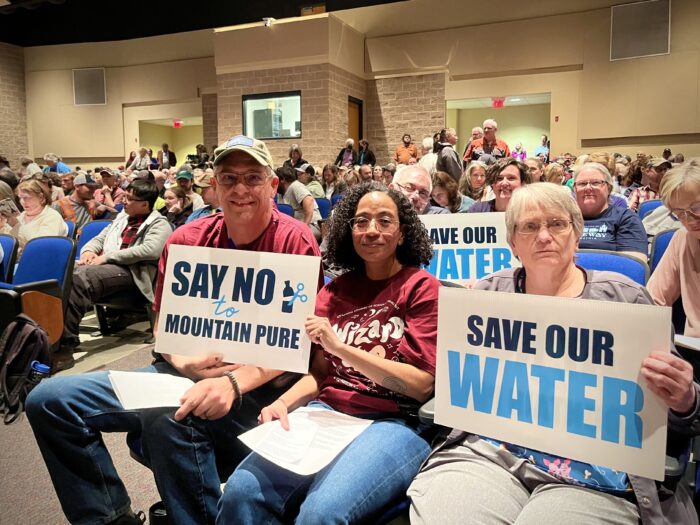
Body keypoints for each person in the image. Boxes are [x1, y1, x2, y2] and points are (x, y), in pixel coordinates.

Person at [25, 135, 322, 525]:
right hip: (176, 374)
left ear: (272, 185)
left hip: (254, 388)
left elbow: (295, 344)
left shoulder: (293, 239)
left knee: (170, 413)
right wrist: (182, 360)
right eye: (229, 178)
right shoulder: (186, 241)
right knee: (48, 399)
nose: (240, 189)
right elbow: (165, 327)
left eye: (252, 178)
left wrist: (231, 382)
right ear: (214, 186)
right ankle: (110, 517)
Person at [409, 182, 700, 525]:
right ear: (513, 243)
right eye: (529, 227)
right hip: (489, 456)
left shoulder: (626, 299)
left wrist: (685, 400)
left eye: (557, 224)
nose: (544, 236)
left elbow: (673, 415)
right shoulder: (489, 294)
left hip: (595, 475)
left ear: (577, 235)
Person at [220, 181, 439, 524]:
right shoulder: (334, 291)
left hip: (394, 420)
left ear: (402, 233)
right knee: (240, 492)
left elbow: (421, 385)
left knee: (321, 514)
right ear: (348, 231)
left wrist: (342, 347)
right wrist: (283, 403)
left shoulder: (422, 288)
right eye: (361, 221)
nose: (371, 231)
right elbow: (321, 374)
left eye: (384, 221)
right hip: (328, 413)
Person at [52, 178, 171, 371]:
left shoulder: (159, 224)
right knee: (62, 275)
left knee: (79, 280)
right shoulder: (122, 217)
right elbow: (99, 238)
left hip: (133, 274)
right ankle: (48, 337)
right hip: (108, 268)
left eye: (130, 199)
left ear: (144, 204)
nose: (124, 201)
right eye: (124, 196)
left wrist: (108, 257)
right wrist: (88, 251)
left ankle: (65, 347)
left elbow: (151, 250)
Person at [647, 159, 700, 337]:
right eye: (680, 213)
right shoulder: (682, 239)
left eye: (697, 208)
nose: (690, 220)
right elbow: (653, 301)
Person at [574, 163, 647, 261]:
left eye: (595, 183)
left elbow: (633, 265)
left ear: (609, 188)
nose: (588, 188)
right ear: (575, 189)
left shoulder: (626, 218)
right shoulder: (564, 218)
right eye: (582, 184)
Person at [5, 179, 68, 252]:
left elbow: (40, 246)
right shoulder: (22, 215)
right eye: (20, 198)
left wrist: (16, 225)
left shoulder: (52, 216)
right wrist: (3, 225)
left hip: (44, 260)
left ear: (41, 197)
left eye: (26, 198)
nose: (22, 202)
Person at [277, 165, 323, 241]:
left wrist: (304, 227)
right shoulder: (280, 193)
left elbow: (309, 200)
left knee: (288, 239)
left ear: (283, 180)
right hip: (293, 227)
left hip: (311, 226)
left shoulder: (296, 186)